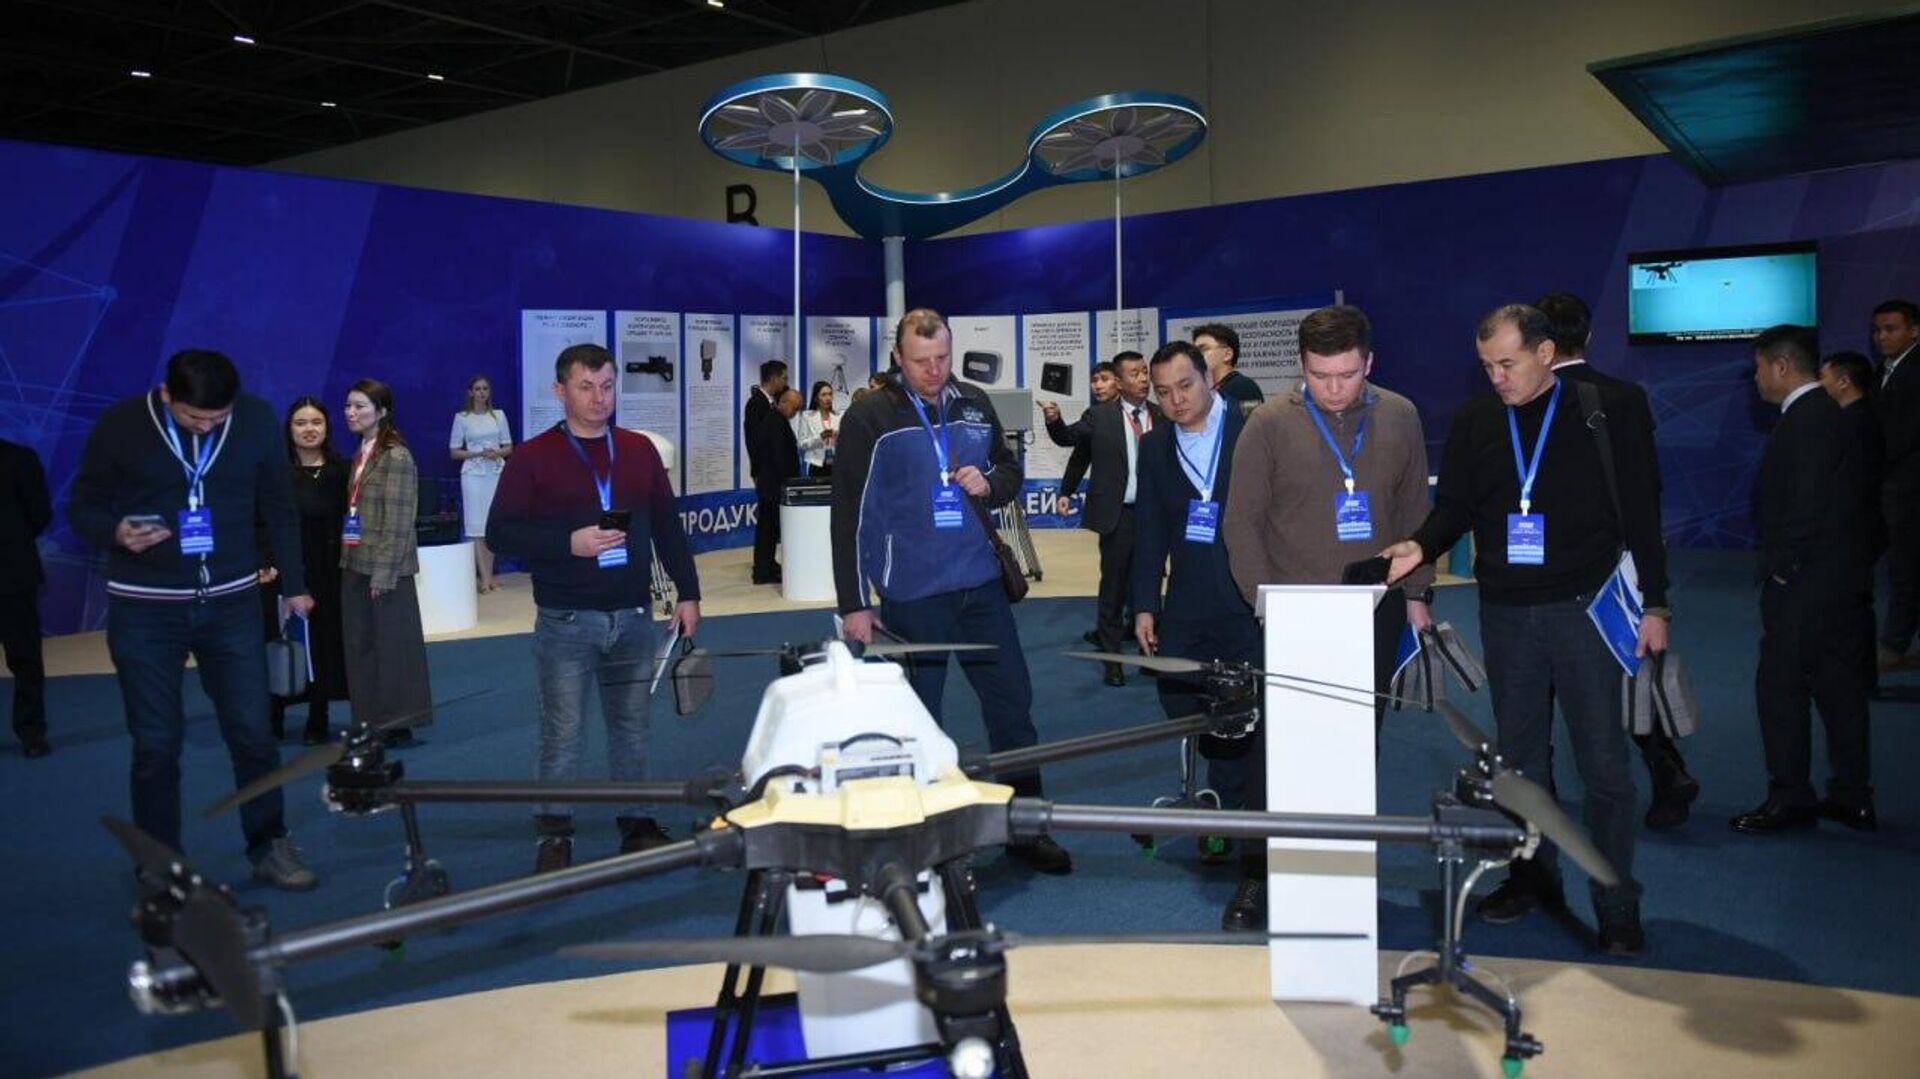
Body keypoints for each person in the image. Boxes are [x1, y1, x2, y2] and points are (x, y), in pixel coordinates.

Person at [1382, 304, 1670, 957]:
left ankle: (1616, 899)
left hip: (1585, 608)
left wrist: (1657, 604)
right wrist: (1420, 546)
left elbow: (1642, 510)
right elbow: (1456, 507)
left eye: (1507, 363)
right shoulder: (1476, 421)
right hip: (1507, 613)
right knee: (1520, 763)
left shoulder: (1606, 408)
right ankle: (1533, 879)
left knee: (1604, 766)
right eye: (1487, 366)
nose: (1497, 378)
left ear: (1545, 352)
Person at [831, 308, 1072, 874]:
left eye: (942, 357)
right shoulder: (870, 415)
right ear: (898, 357)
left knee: (1013, 707)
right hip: (913, 594)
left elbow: (1009, 471)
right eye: (921, 361)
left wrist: (990, 484)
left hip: (982, 587)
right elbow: (849, 515)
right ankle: (921, 842)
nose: (934, 370)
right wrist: (854, 602)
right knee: (918, 721)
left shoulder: (974, 402)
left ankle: (1025, 827)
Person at [67, 349, 318, 889]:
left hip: (231, 604)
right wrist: (115, 531)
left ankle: (270, 843)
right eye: (193, 417)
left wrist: (295, 585)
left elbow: (279, 507)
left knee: (253, 732)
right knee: (156, 743)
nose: (205, 427)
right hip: (145, 608)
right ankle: (160, 864)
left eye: (216, 418)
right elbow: (83, 506)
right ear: (166, 395)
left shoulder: (254, 420)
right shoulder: (121, 425)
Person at [487, 343, 701, 872]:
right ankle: (554, 834)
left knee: (632, 727)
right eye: (586, 387)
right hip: (566, 619)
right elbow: (500, 533)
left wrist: (689, 591)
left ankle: (637, 823)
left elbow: (667, 524)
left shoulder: (638, 450)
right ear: (560, 391)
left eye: (607, 386)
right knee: (562, 734)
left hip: (633, 615)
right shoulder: (532, 457)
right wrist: (568, 543)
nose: (599, 397)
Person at [1223, 303, 1434, 726]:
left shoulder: (1400, 415)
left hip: (1378, 602)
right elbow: (1242, 522)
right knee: (1300, 729)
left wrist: (1417, 594)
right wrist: (1264, 603)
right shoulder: (1268, 423)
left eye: (1348, 375)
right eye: (1319, 376)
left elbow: (1414, 508)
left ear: (1369, 363)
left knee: (1362, 729)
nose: (1334, 389)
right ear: (1301, 364)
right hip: (1294, 606)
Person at [1534, 291, 1699, 829]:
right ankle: (1667, 770)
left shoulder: (1527, 401)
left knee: (1543, 677)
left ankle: (1542, 785)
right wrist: (1655, 591)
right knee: (1629, 669)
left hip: (1546, 568)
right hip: (1619, 565)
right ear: (1590, 336)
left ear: (1539, 343)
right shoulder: (1626, 397)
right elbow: (1645, 492)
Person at [1130, 341, 1265, 926]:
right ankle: (1220, 794)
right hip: (1186, 604)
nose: (1176, 400)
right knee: (1186, 703)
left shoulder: (1254, 430)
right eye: (1163, 392)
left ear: (1210, 378)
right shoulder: (1155, 446)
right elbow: (1150, 528)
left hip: (1245, 601)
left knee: (1244, 711)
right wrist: (1145, 604)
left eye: (1185, 386)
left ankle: (1229, 817)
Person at [1733, 326, 1876, 835]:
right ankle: (1852, 795)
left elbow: (1805, 503)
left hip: (1807, 583)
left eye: (1758, 368)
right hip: (1838, 579)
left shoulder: (1809, 419)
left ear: (1781, 366)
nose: (1756, 379)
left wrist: (1784, 567)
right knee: (1839, 688)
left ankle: (1790, 797)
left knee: (1781, 687)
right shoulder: (1829, 415)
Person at [1042, 351, 1162, 686]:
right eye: (1135, 374)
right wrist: (1054, 420)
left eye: (1145, 372)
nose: (1143, 378)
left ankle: (1150, 654)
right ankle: (1113, 660)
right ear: (1120, 382)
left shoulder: (1161, 415)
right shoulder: (1099, 416)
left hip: (1154, 518)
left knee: (1150, 585)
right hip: (1118, 516)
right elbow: (1069, 441)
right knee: (1114, 588)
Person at [341, 379, 433, 745]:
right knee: (362, 647)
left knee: (394, 648)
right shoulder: (362, 450)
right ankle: (369, 718)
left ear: (381, 412)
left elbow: (398, 521)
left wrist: (384, 573)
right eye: (348, 405)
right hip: (355, 562)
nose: (351, 413)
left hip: (384, 569)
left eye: (360, 406)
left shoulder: (396, 456)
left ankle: (398, 722)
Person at [272, 397, 350, 745]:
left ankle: (319, 717)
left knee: (324, 646)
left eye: (316, 422)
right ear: (289, 429)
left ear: (327, 428)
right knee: (281, 643)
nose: (309, 429)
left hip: (331, 573)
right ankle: (273, 713)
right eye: (300, 423)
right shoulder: (275, 473)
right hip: (284, 572)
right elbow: (262, 523)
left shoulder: (343, 471)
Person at [1870, 299, 1920, 671]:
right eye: (1877, 330)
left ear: (1914, 330)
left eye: (1891, 329)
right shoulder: (1883, 369)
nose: (1882, 337)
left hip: (1909, 487)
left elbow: (1903, 435)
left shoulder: (1915, 371)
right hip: (1892, 486)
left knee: (1905, 570)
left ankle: (1894, 645)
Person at [0, 437, 50, 758]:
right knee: (26, 658)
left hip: (12, 574)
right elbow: (39, 515)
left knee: (25, 658)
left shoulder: (19, 458)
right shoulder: (19, 457)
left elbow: (39, 512)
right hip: (13, 569)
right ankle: (32, 734)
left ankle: (32, 731)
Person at [450, 374, 512, 593]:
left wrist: (497, 453)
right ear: (471, 392)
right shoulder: (462, 418)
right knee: (477, 527)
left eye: (485, 388)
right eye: (477, 389)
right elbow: (454, 452)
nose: (482, 392)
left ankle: (491, 575)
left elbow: (509, 447)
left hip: (494, 473)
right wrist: (476, 453)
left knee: (491, 525)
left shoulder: (499, 416)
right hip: (473, 475)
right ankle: (484, 578)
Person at [745, 359, 790, 585]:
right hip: (767, 474)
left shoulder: (769, 403)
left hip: (771, 474)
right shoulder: (756, 404)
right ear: (773, 378)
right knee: (767, 524)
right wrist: (758, 472)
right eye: (784, 377)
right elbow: (755, 442)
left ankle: (768, 563)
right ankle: (762, 569)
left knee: (771, 524)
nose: (786, 382)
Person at [752, 388, 803, 583]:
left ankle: (765, 567)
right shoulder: (775, 422)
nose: (794, 414)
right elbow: (780, 456)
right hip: (774, 486)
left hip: (770, 484)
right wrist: (788, 483)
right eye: (794, 409)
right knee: (768, 530)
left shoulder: (774, 419)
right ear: (784, 403)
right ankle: (763, 570)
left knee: (768, 530)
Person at [1059, 360, 1118, 503]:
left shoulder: (1136, 411)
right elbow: (1080, 457)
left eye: (1104, 379)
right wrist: (1066, 493)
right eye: (1094, 380)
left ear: (1119, 382)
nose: (1098, 386)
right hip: (1107, 498)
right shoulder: (1093, 415)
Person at [1193, 323, 1264, 413]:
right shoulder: (1206, 392)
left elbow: (1253, 421)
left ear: (1227, 355)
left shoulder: (1244, 387)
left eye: (1203, 349)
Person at [794, 379, 839, 477]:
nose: (828, 398)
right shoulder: (807, 416)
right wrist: (820, 437)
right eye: (824, 395)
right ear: (816, 398)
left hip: (836, 464)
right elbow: (801, 444)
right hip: (817, 465)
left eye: (830, 394)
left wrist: (839, 438)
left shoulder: (838, 416)